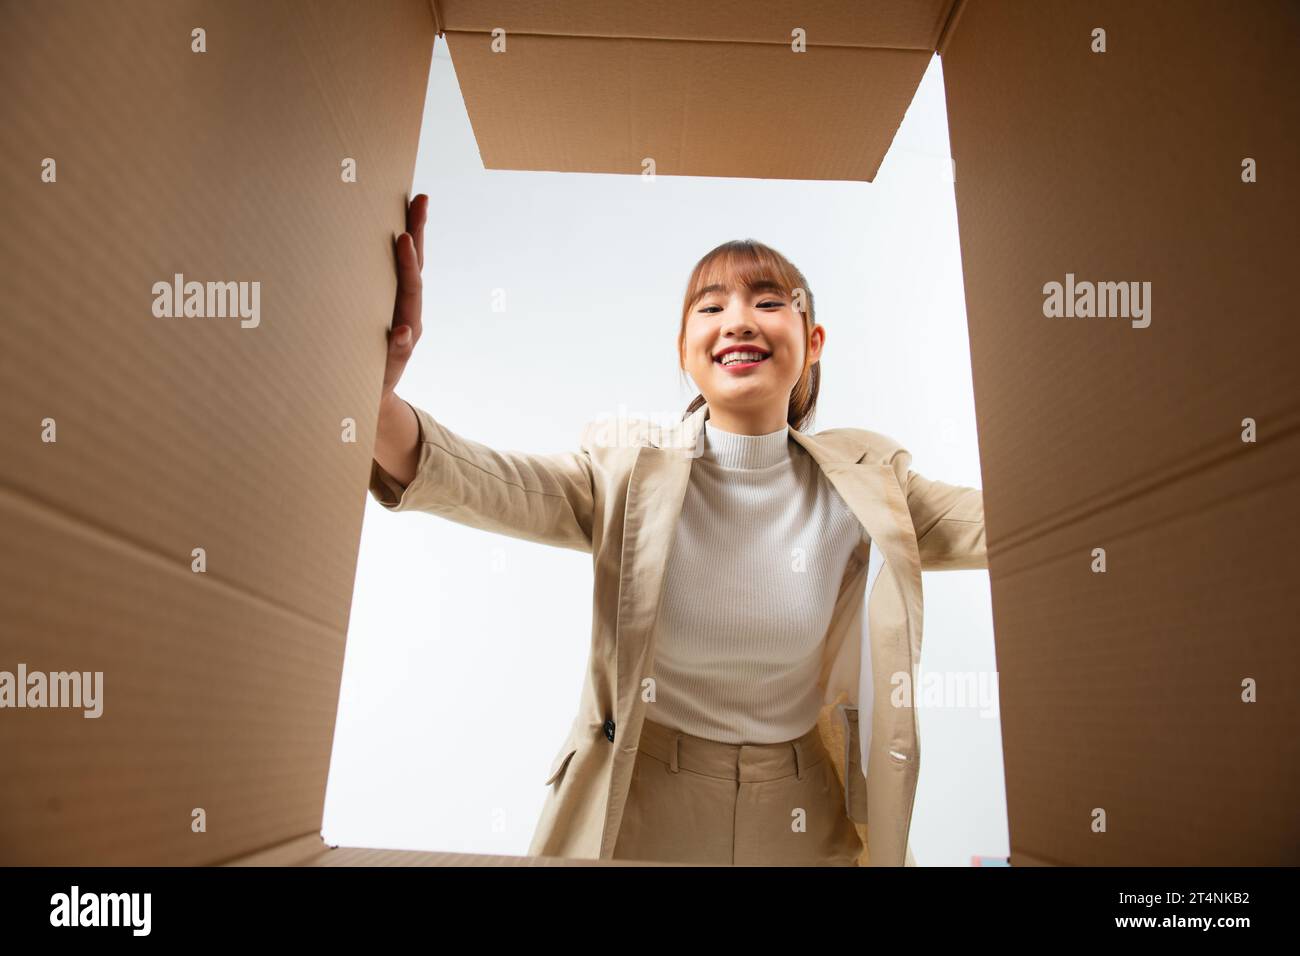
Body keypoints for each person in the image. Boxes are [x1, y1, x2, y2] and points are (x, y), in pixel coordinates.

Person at [371, 194, 987, 866]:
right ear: (685, 353)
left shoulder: (868, 483)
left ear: (812, 343)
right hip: (645, 799)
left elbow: (1020, 527)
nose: (740, 321)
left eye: (770, 301)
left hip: (800, 806)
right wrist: (372, 397)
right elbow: (478, 480)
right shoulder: (629, 474)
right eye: (712, 306)